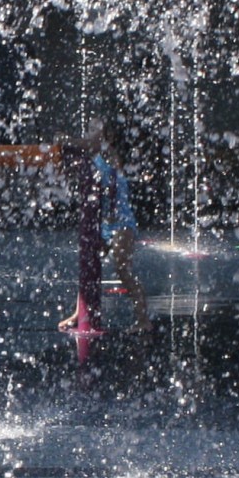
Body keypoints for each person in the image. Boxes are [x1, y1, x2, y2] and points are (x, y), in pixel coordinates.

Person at [62, 119, 148, 331]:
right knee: (88, 268)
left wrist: (65, 138)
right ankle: (80, 313)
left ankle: (143, 319)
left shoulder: (111, 155)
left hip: (122, 223)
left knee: (122, 270)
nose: (90, 134)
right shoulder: (98, 156)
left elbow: (87, 146)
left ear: (107, 136)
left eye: (95, 131)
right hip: (103, 223)